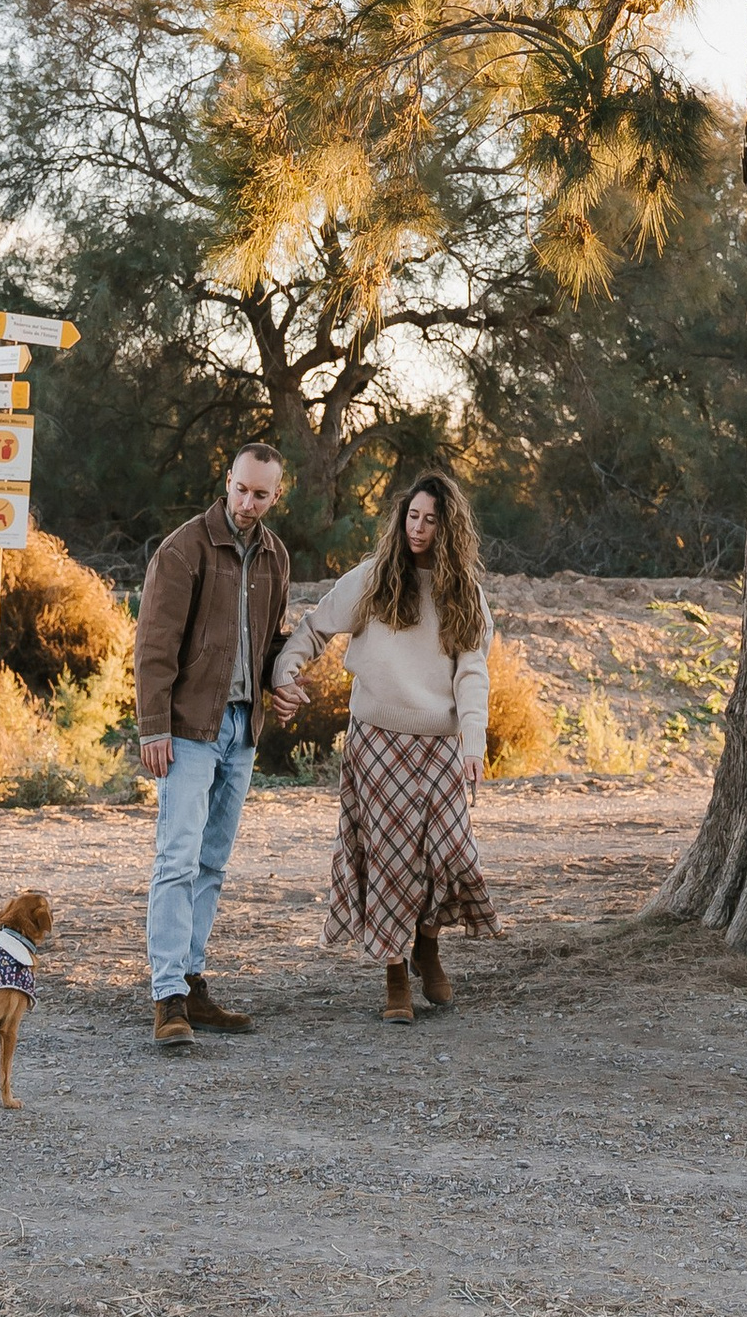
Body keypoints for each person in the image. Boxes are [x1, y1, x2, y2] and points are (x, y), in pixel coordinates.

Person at [268, 464, 500, 1022]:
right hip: (377, 741)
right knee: (391, 860)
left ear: (449, 529)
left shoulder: (465, 594)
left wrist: (473, 743)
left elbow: (472, 671)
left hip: (440, 744)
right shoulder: (374, 578)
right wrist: (286, 669)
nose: (418, 528)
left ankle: (427, 944)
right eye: (412, 517)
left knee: (451, 854)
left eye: (430, 520)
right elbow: (317, 625)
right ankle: (395, 973)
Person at [134, 440, 292, 1050]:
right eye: (241, 489)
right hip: (188, 728)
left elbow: (270, 641)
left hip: (242, 729)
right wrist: (154, 727)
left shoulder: (276, 557)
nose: (248, 503)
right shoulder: (184, 550)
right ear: (227, 481)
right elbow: (154, 645)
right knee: (177, 859)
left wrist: (281, 681)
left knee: (212, 863)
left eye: (261, 494)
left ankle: (193, 982)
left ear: (276, 495)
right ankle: (167, 997)